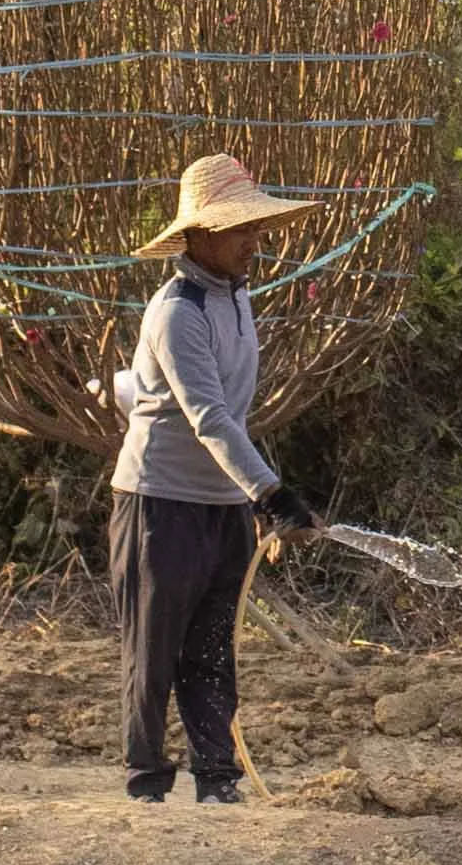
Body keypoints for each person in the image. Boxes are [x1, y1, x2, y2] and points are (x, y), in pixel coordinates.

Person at [113, 152, 318, 802]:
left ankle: (218, 780)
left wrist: (250, 497)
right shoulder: (177, 310)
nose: (254, 240)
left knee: (211, 648)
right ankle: (145, 783)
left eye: (256, 228)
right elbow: (207, 416)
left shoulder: (238, 299)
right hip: (158, 503)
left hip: (221, 504)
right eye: (240, 229)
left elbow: (232, 410)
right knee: (154, 653)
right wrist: (274, 493)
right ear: (200, 234)